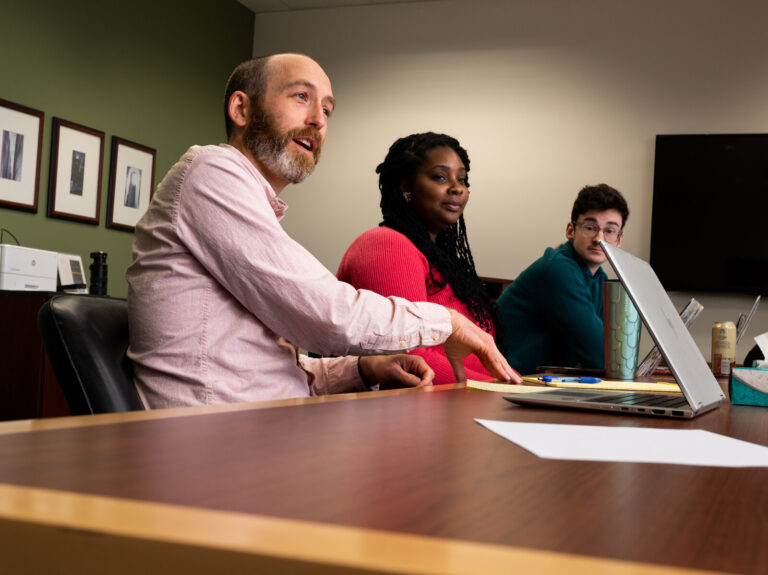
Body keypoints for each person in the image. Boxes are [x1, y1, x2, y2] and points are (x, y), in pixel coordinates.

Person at [127, 53, 518, 409]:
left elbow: (275, 374)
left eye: (327, 109)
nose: (318, 119)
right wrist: (444, 322)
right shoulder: (211, 171)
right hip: (210, 447)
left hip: (258, 432)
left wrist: (365, 370)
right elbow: (326, 317)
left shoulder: (252, 210)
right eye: (301, 97)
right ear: (241, 108)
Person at [337, 132, 502, 384]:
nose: (457, 188)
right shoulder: (386, 244)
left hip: (464, 407)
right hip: (408, 414)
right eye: (440, 177)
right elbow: (407, 355)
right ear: (406, 186)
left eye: (462, 179)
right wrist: (499, 389)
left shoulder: (446, 263)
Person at [496, 184, 629, 375]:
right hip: (503, 384)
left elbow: (608, 356)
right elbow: (603, 357)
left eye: (610, 231)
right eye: (590, 227)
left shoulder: (600, 279)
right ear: (570, 230)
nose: (599, 238)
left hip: (541, 383)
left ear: (619, 240)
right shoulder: (557, 269)